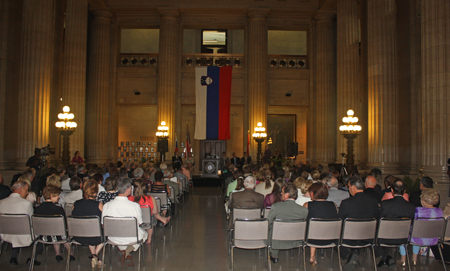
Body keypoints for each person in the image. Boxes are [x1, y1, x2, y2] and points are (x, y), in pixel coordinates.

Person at [102, 177, 148, 267]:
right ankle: (127, 252)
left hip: (113, 237)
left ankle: (124, 252)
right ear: (128, 190)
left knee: (121, 237)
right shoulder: (134, 206)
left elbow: (104, 225)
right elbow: (139, 223)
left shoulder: (106, 206)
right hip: (131, 237)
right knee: (144, 234)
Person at [338, 176, 379, 271]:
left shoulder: (346, 203)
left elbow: (340, 220)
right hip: (369, 236)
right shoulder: (373, 201)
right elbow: (377, 217)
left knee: (333, 235)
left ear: (353, 187)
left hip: (348, 238)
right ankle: (354, 254)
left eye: (348, 187)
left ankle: (350, 256)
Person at [398, 188, 442, 267]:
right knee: (418, 232)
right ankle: (414, 259)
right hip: (434, 239)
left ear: (423, 201)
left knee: (403, 232)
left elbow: (412, 224)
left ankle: (403, 259)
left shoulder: (418, 210)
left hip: (419, 239)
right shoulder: (439, 211)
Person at [377, 179, 415, 267]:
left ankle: (385, 258)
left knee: (379, 230)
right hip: (403, 239)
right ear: (404, 191)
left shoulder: (385, 204)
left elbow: (379, 220)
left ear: (392, 190)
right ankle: (387, 258)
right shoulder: (411, 207)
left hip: (384, 238)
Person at [268, 182, 308, 263]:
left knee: (271, 227)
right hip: (296, 240)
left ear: (287, 194)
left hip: (277, 239)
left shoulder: (276, 207)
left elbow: (268, 224)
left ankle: (274, 254)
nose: (281, 193)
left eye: (282, 192)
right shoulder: (304, 210)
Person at [0, 179, 37, 265]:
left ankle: (13, 257)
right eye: (26, 190)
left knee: (15, 230)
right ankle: (32, 257)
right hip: (24, 234)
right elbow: (32, 221)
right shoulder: (26, 204)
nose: (27, 192)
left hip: (4, 233)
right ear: (21, 189)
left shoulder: (1, 202)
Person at [34, 186, 75, 263]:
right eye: (57, 195)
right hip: (57, 235)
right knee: (63, 233)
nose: (59, 197)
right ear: (51, 196)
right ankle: (71, 253)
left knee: (55, 231)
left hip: (42, 236)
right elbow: (64, 225)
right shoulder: (58, 209)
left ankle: (57, 254)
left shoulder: (37, 209)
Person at [72, 179, 105, 268]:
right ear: (95, 192)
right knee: (106, 232)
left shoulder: (76, 204)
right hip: (96, 236)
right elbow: (104, 220)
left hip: (78, 236)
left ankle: (94, 257)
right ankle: (94, 256)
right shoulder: (99, 204)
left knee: (90, 230)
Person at [303, 183, 338, 265]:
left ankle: (312, 256)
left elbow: (303, 222)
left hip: (311, 239)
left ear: (312, 193)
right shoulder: (334, 205)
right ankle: (312, 256)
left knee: (311, 227)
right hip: (331, 238)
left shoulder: (307, 205)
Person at [128, 179, 170, 243]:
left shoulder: (130, 198)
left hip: (134, 222)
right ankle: (149, 239)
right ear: (144, 187)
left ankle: (163, 219)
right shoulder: (150, 198)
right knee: (151, 216)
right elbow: (155, 212)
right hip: (147, 222)